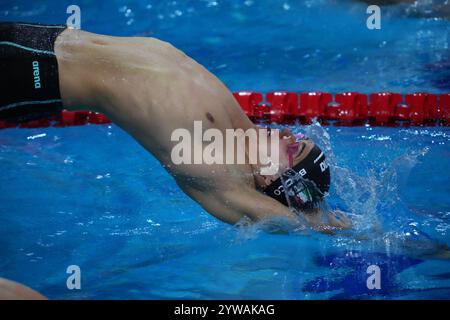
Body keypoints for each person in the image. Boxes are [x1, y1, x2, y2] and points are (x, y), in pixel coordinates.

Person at [0, 22, 351, 233]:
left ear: (270, 177)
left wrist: (351, 233)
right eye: (299, 139)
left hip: (29, 75)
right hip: (40, 39)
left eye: (293, 150)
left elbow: (287, 221)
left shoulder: (214, 169)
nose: (290, 135)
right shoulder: (238, 125)